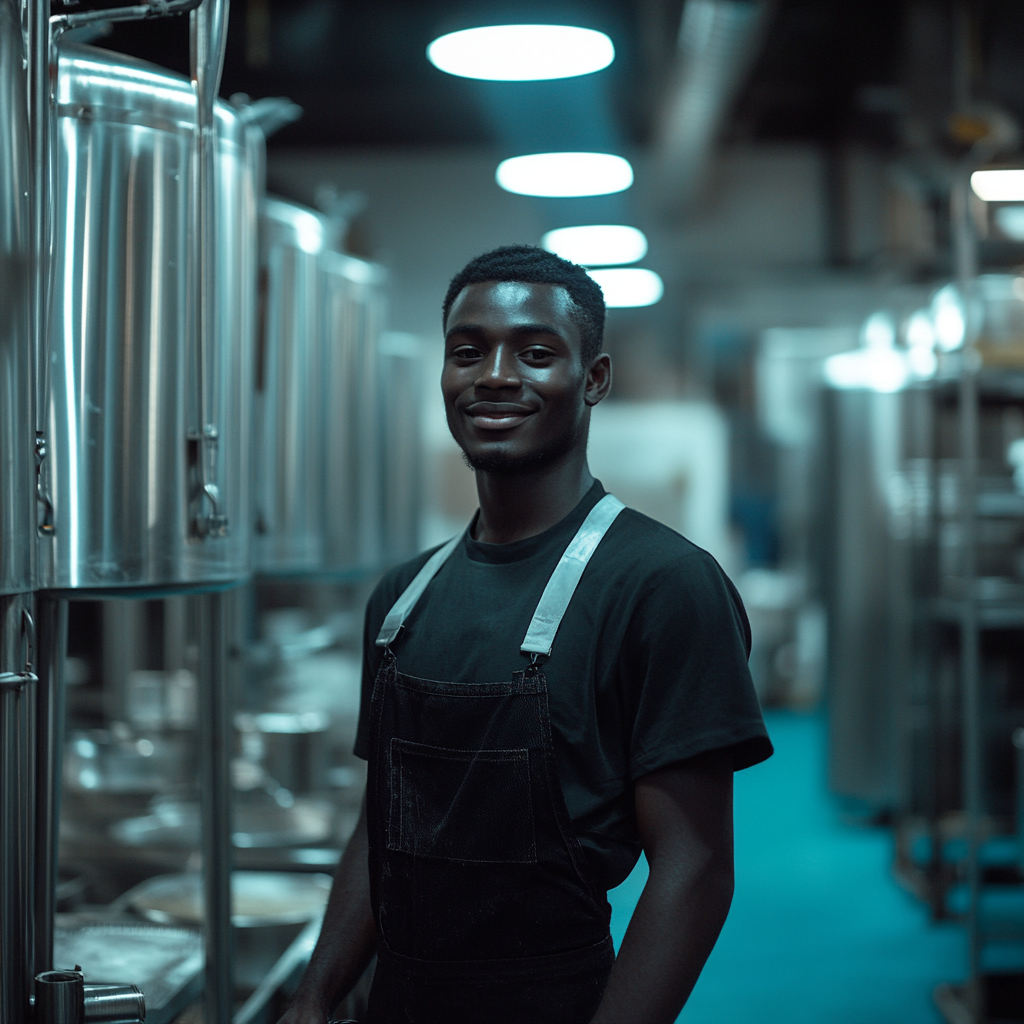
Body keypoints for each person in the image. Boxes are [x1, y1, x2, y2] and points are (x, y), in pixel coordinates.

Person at [279, 245, 772, 1024]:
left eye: (536, 354)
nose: (496, 375)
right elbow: (380, 825)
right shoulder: (401, 598)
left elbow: (696, 867)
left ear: (595, 380)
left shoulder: (664, 586)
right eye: (467, 352)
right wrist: (314, 996)